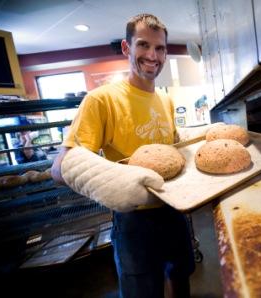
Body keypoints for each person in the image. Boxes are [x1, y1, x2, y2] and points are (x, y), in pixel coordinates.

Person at [51, 14, 219, 298]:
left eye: (160, 48)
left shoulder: (164, 99)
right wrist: (113, 180)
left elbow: (172, 147)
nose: (153, 55)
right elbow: (60, 168)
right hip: (134, 221)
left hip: (174, 207)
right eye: (143, 45)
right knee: (142, 290)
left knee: (181, 273)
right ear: (127, 48)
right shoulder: (101, 100)